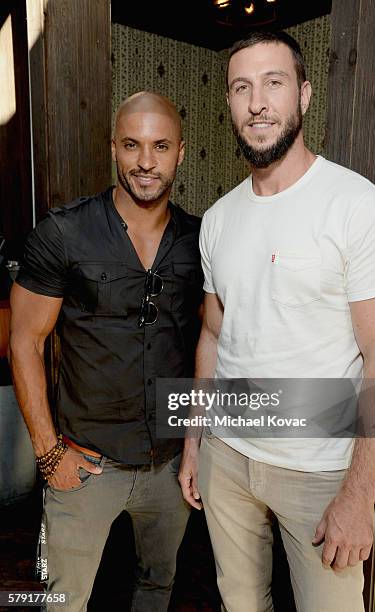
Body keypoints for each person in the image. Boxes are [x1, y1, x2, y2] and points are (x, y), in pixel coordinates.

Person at [178, 31, 375, 612]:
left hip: (320, 471)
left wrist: (360, 495)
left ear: (303, 95)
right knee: (240, 602)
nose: (257, 102)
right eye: (241, 87)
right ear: (229, 102)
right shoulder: (219, 220)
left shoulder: (359, 206)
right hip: (226, 457)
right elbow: (212, 333)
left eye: (273, 83)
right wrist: (194, 442)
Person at [10, 91, 203, 611]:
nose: (145, 161)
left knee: (156, 588)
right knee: (64, 600)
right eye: (132, 145)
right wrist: (51, 456)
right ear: (112, 148)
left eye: (160, 146)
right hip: (84, 463)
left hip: (168, 466)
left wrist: (196, 446)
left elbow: (216, 342)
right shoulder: (63, 233)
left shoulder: (200, 241)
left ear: (180, 152)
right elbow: (24, 341)